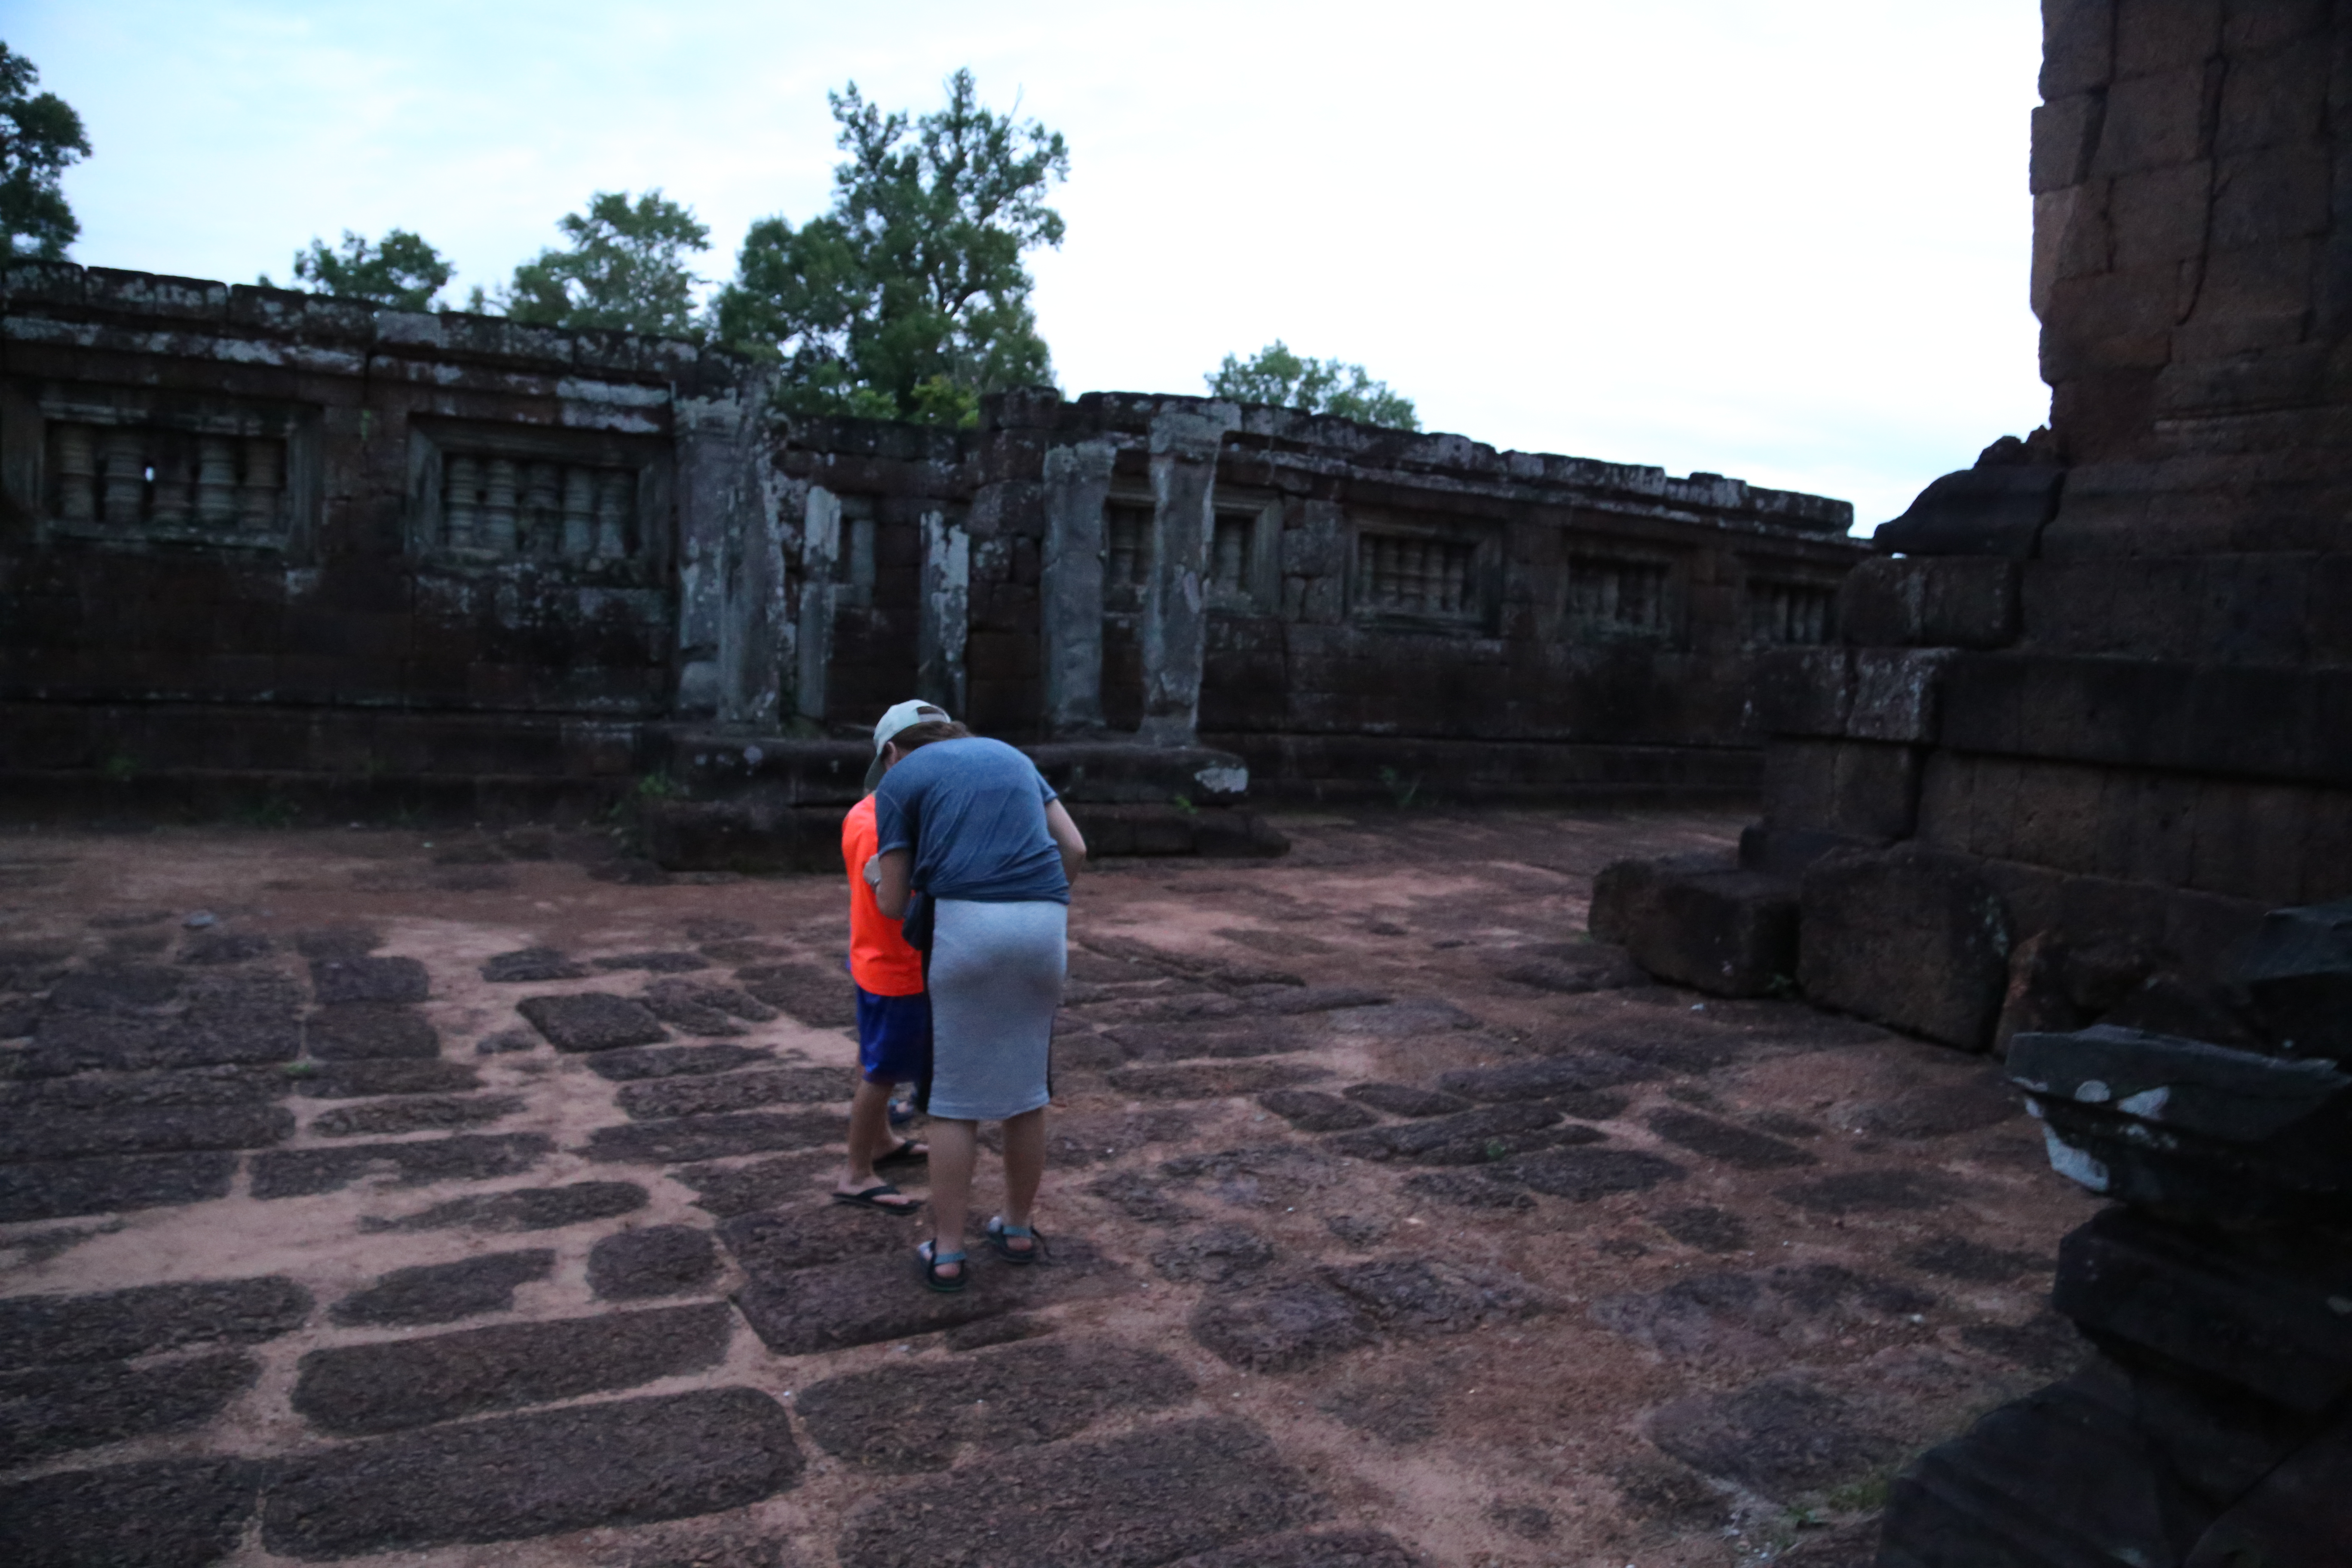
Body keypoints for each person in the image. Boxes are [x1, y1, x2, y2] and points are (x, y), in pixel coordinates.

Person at [863, 701, 1087, 1292]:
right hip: (1044, 921)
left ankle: (949, 1251)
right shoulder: (1012, 756)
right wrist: (1041, 903)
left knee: (952, 1101)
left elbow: (890, 903)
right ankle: (1016, 1228)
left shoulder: (901, 781)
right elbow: (1077, 849)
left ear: (891, 753)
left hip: (964, 926)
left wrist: (874, 877)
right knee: (1026, 1089)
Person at [830, 703, 943, 1215]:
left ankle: (878, 1144)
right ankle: (855, 1172)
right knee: (882, 1072)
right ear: (891, 755)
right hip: (897, 966)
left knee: (875, 1058)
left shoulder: (868, 811)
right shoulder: (886, 825)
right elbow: (898, 903)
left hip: (875, 960)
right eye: (924, 754)